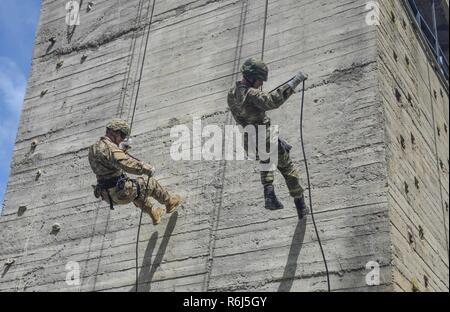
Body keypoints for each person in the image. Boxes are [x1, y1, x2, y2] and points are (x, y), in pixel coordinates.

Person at [227, 58, 308, 219]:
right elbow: (273, 101)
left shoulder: (232, 93)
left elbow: (242, 117)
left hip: (250, 140)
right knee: (287, 169)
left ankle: (269, 195)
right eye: (259, 80)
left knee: (266, 160)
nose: (260, 84)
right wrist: (294, 82)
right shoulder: (252, 94)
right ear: (251, 77)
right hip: (265, 137)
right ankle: (301, 206)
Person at [88, 119, 181, 225]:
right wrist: (145, 168)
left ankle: (154, 213)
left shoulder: (93, 148)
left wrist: (121, 151)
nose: (121, 140)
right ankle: (170, 202)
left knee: (136, 193)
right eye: (122, 135)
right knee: (149, 183)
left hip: (107, 195)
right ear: (114, 131)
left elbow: (106, 163)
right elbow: (125, 163)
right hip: (120, 192)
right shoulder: (109, 148)